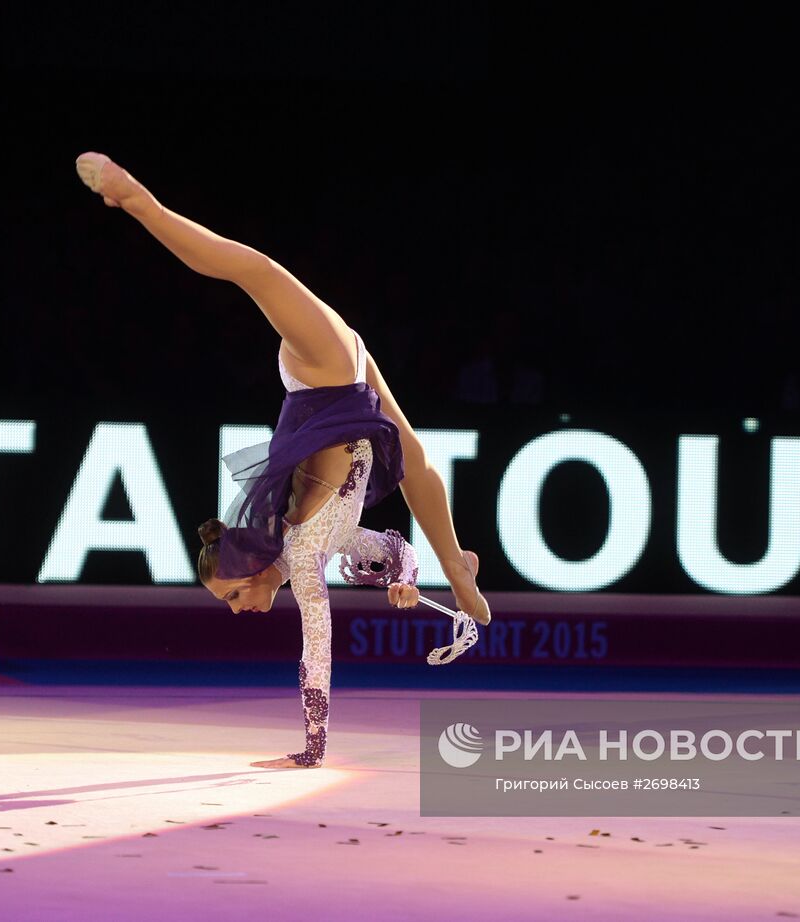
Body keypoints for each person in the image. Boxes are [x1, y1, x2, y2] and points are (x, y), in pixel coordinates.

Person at [74, 152, 491, 769]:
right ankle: (457, 565)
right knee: (414, 460)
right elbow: (387, 545)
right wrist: (405, 576)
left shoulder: (298, 549)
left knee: (257, 273)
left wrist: (312, 750)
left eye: (232, 598)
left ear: (250, 568)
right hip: (339, 382)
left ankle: (140, 202)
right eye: (231, 602)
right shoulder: (306, 554)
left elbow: (315, 645)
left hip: (322, 380)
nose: (238, 611)